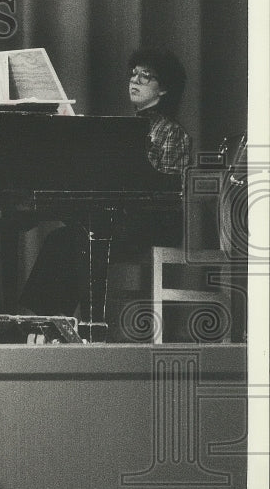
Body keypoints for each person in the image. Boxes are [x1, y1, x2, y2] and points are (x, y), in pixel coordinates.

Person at [18, 48, 192, 316]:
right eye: (133, 74)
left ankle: (60, 323)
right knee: (62, 238)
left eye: (145, 76)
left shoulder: (171, 132)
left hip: (154, 223)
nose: (134, 80)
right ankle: (46, 321)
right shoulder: (128, 127)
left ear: (164, 89)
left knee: (75, 240)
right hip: (121, 216)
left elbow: (166, 193)